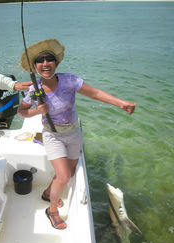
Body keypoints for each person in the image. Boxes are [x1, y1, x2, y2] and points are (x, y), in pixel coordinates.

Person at [18, 39, 136, 230]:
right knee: (63, 177)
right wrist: (37, 112)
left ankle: (49, 192)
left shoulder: (70, 80)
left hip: (73, 132)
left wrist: (120, 103)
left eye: (50, 59)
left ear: (56, 63)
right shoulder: (34, 90)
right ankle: (52, 210)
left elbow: (95, 93)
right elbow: (21, 111)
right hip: (52, 135)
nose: (45, 63)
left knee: (70, 172)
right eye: (40, 60)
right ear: (35, 67)